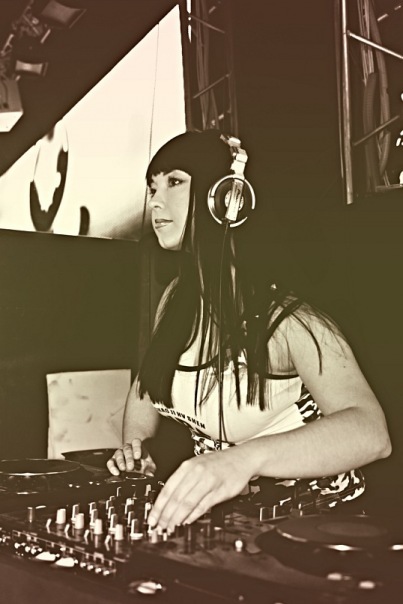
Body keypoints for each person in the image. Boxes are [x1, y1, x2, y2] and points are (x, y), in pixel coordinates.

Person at [107, 130, 391, 533]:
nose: (155, 201)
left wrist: (242, 460)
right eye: (152, 188)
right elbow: (146, 386)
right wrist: (137, 448)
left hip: (318, 527)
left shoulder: (291, 322)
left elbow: (371, 433)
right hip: (235, 526)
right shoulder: (174, 300)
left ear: (229, 198)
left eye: (174, 182)